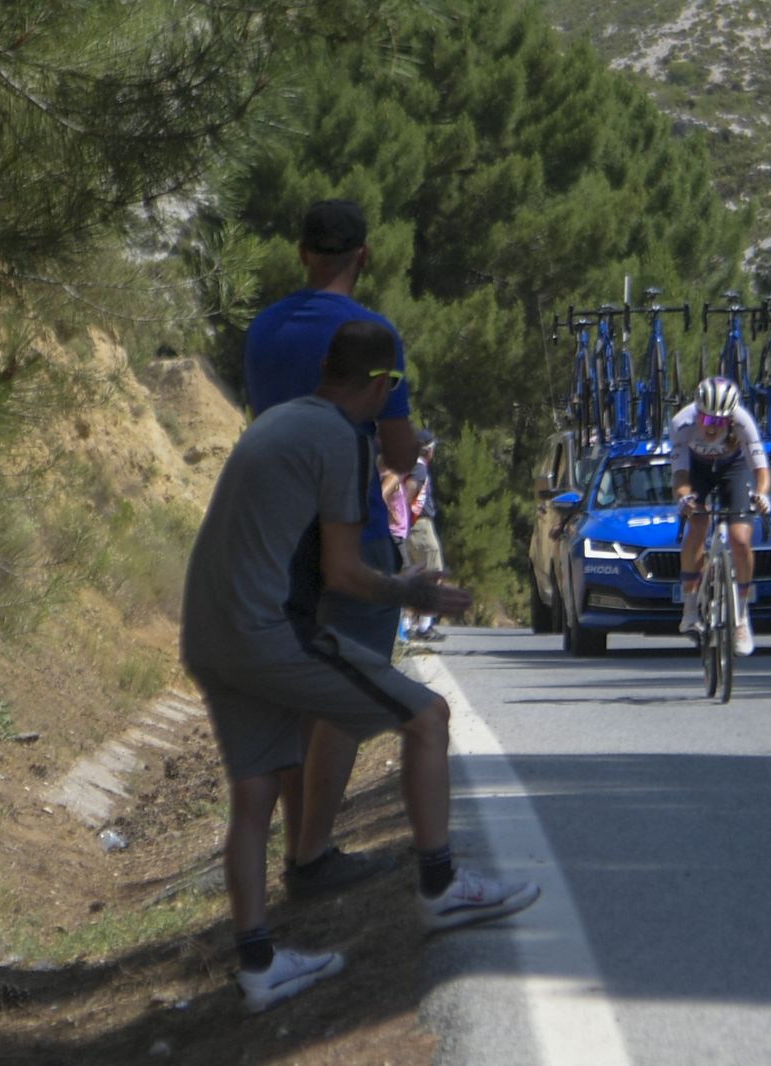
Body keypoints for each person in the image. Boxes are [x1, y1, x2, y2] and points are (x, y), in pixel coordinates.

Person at [182, 321, 540, 1013]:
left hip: (209, 633)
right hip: (267, 632)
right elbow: (343, 572)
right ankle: (440, 888)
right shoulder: (346, 439)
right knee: (427, 717)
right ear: (382, 385)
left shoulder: (279, 419)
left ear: (327, 371)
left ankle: (258, 965)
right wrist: (413, 590)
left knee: (254, 796)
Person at [243, 199, 418, 898]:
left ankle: (298, 846)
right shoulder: (372, 332)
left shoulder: (262, 329)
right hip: (350, 531)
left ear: (300, 252)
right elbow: (399, 446)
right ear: (364, 256)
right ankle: (312, 857)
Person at [672, 376, 771, 656]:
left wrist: (762, 495)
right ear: (697, 413)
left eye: (719, 422)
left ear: (730, 419)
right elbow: (679, 474)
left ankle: (741, 617)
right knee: (698, 525)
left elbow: (760, 469)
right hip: (697, 470)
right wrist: (684, 497)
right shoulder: (682, 423)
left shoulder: (743, 422)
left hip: (733, 468)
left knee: (741, 540)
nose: (712, 429)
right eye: (706, 421)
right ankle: (690, 604)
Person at [406, 430, 447, 641]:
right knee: (433, 574)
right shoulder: (418, 469)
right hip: (420, 526)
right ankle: (423, 626)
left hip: (409, 528)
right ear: (428, 450)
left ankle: (406, 625)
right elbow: (407, 498)